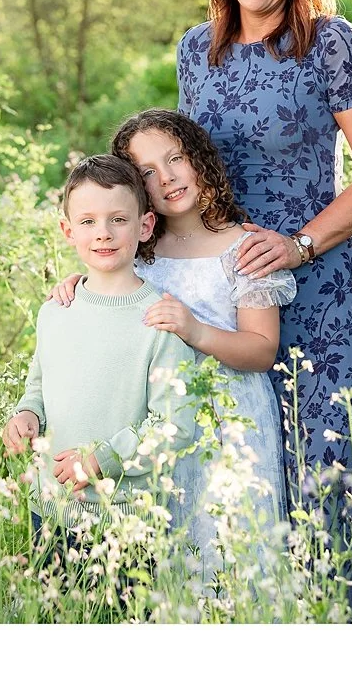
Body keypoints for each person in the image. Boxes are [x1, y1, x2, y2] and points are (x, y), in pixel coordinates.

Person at [174, 0, 352, 507]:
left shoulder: (330, 43)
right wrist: (105, 266)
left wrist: (299, 246)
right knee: (237, 490)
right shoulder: (196, 50)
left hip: (319, 292)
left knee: (325, 483)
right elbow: (180, 178)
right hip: (227, 295)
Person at [52, 110, 296, 574]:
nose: (165, 177)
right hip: (154, 418)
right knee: (167, 552)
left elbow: (262, 350)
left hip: (230, 418)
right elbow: (110, 290)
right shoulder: (139, 251)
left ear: (199, 158)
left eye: (175, 159)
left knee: (229, 546)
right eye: (146, 172)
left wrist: (196, 330)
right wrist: (76, 287)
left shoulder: (243, 248)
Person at [0, 155, 199, 558]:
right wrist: (27, 415)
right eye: (88, 221)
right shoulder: (55, 310)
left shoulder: (160, 319)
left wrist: (103, 457)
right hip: (50, 508)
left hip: (124, 518)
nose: (103, 233)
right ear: (68, 231)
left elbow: (174, 426)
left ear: (145, 226)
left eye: (118, 220)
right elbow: (39, 386)